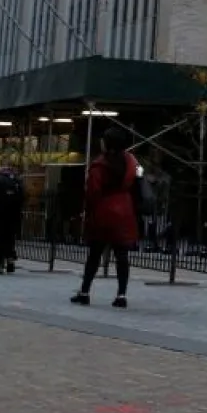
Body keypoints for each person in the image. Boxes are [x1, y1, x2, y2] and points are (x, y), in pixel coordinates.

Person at [71, 127, 139, 308]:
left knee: (95, 254)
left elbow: (92, 191)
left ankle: (85, 292)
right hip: (125, 209)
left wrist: (87, 211)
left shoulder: (100, 165)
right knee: (122, 255)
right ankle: (121, 295)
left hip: (104, 209)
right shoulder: (130, 161)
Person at [0, 166, 25, 275]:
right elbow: (22, 199)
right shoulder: (17, 183)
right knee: (10, 240)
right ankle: (10, 261)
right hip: (13, 217)